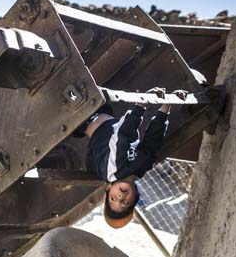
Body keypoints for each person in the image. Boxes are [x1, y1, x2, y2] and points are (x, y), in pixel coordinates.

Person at [74, 87, 187, 229]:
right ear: (135, 198)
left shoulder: (113, 170)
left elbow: (123, 135)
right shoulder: (140, 168)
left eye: (113, 199)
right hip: (101, 113)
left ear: (109, 189)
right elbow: (153, 141)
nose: (120, 198)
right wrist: (167, 105)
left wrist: (142, 103)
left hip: (85, 116)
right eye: (125, 203)